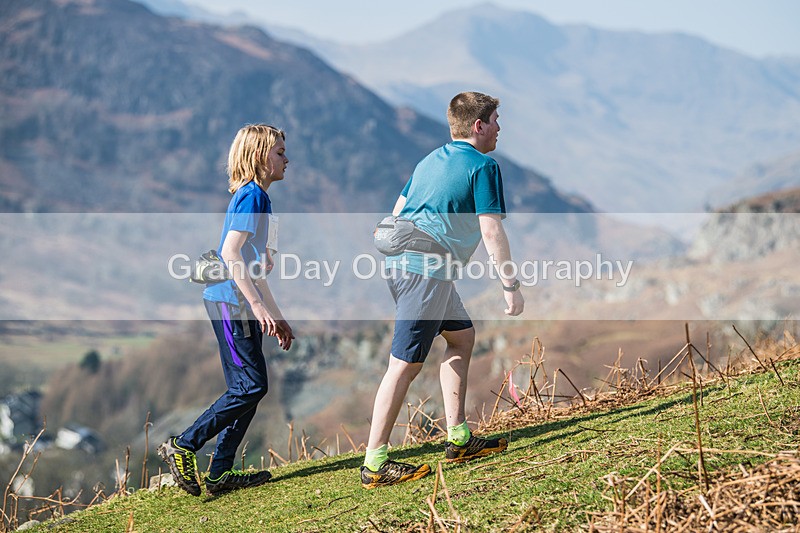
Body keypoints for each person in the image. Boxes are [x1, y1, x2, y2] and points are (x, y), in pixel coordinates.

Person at [361, 92, 525, 489]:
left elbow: (398, 212)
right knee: (404, 365)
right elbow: (491, 229)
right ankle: (374, 462)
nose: (501, 127)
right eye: (496, 120)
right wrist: (510, 286)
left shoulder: (429, 160)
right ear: (478, 126)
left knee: (462, 337)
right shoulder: (484, 166)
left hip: (409, 265)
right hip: (426, 273)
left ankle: (458, 439)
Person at [159, 124, 294, 497]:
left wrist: (275, 314)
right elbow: (230, 254)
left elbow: (254, 268)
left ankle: (219, 473)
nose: (287, 159)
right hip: (230, 303)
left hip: (238, 301)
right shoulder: (252, 197)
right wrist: (255, 305)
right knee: (251, 385)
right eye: (280, 152)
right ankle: (184, 444)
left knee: (248, 387)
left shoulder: (260, 199)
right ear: (259, 156)